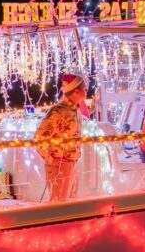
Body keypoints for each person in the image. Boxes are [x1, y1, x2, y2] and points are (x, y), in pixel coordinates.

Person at [35, 73, 87, 202]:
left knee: (70, 202)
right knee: (59, 201)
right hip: (59, 163)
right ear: (76, 91)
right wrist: (49, 158)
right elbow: (40, 136)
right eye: (84, 89)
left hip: (72, 162)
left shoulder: (76, 110)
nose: (86, 91)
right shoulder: (58, 110)